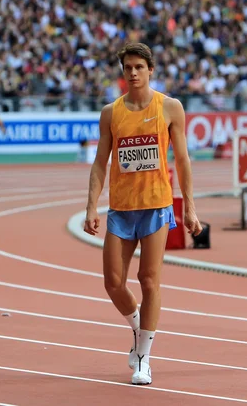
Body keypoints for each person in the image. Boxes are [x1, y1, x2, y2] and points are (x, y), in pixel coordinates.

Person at [83, 42, 202, 386]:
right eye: (127, 68)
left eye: (138, 67)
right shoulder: (111, 112)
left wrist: (190, 206)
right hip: (121, 209)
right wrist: (91, 206)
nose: (133, 73)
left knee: (149, 280)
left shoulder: (170, 108)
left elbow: (182, 160)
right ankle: (138, 326)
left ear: (151, 70)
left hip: (156, 206)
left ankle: (144, 358)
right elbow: (99, 163)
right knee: (113, 282)